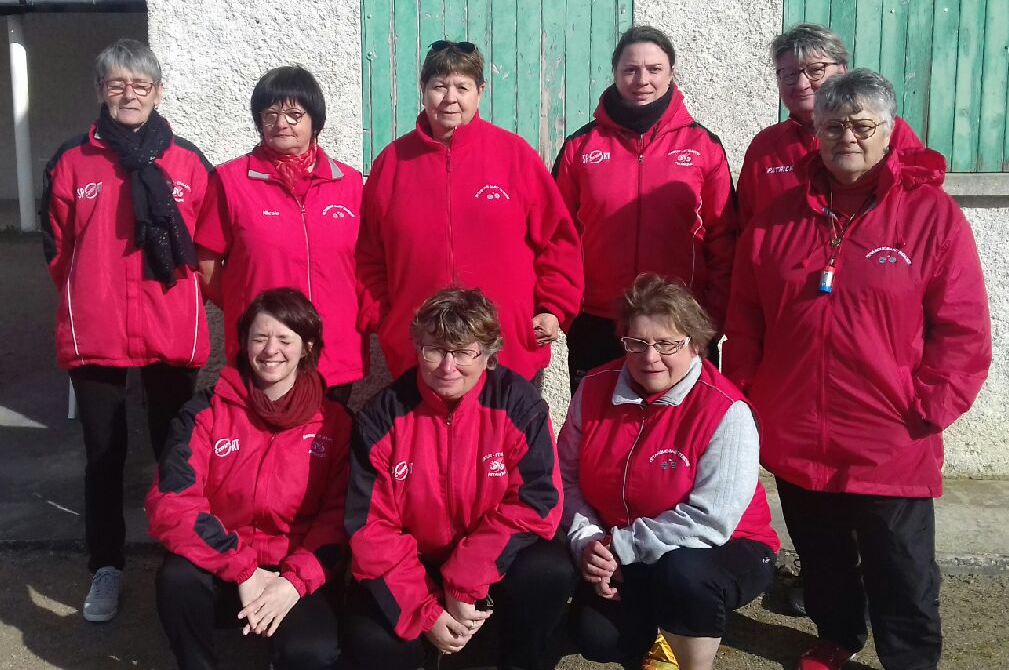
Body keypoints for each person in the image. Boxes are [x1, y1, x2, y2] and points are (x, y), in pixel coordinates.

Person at [724, 69, 991, 670]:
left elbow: (964, 329)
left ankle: (911, 659)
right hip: (796, 429)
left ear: (889, 130)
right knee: (822, 556)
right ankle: (838, 635)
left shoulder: (931, 217)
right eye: (832, 126)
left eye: (861, 125)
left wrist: (926, 408)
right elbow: (744, 321)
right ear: (814, 134)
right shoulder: (775, 219)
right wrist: (750, 402)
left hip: (889, 433)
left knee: (901, 565)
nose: (847, 136)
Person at [41, 38, 212, 623]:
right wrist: (90, 295)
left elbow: (209, 246)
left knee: (175, 454)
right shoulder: (71, 161)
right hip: (98, 333)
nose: (129, 94)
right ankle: (106, 566)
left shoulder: (188, 161)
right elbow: (56, 249)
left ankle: (178, 561)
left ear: (159, 92)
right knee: (104, 456)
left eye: (141, 85)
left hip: (169, 331)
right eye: (117, 84)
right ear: (100, 92)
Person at [344, 287, 574, 670]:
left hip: (490, 552)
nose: (447, 367)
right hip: (413, 559)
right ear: (418, 348)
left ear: (487, 353)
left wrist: (466, 578)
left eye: (464, 352)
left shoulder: (518, 404)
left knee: (550, 572)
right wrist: (425, 609)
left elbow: (539, 502)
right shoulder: (382, 416)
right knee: (375, 645)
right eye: (435, 349)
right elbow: (369, 529)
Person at [558, 273, 779, 670]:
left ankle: (694, 661)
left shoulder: (727, 410)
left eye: (666, 344)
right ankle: (654, 633)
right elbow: (567, 478)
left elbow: (711, 520)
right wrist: (587, 539)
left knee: (685, 577)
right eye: (637, 343)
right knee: (599, 639)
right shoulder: (593, 387)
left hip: (721, 548)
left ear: (694, 344)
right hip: (622, 544)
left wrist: (620, 547)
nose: (650, 357)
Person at [148, 288, 350, 670]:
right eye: (260, 337)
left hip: (295, 572)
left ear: (307, 346)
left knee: (312, 654)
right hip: (225, 563)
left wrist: (292, 581)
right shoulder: (205, 412)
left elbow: (340, 516)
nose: (271, 349)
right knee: (177, 579)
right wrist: (241, 568)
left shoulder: (335, 422)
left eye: (285, 339)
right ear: (244, 343)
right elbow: (172, 502)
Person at [356, 40, 583, 382]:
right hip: (422, 353)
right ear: (423, 91)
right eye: (439, 87)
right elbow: (368, 254)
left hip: (506, 349)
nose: (450, 98)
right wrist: (384, 318)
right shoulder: (393, 163)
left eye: (462, 87)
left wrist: (553, 308)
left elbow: (558, 240)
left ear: (480, 92)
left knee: (508, 436)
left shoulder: (515, 156)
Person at [554, 26, 736, 390]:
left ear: (671, 73)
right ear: (615, 74)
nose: (642, 80)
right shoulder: (580, 147)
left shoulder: (703, 146)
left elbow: (725, 238)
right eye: (630, 70)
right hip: (599, 321)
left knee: (679, 434)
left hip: (678, 323)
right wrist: (565, 312)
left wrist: (710, 319)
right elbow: (557, 236)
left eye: (654, 69)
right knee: (598, 429)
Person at [196, 66, 364, 403]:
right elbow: (207, 264)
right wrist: (247, 307)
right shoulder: (231, 182)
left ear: (315, 120)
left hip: (334, 347)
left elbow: (368, 261)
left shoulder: (349, 185)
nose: (281, 123)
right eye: (270, 114)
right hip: (267, 352)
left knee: (329, 448)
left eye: (293, 114)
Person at [737, 23, 922, 227]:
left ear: (843, 70)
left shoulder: (886, 131)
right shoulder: (766, 146)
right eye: (789, 74)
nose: (801, 84)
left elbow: (922, 213)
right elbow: (745, 225)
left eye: (815, 70)